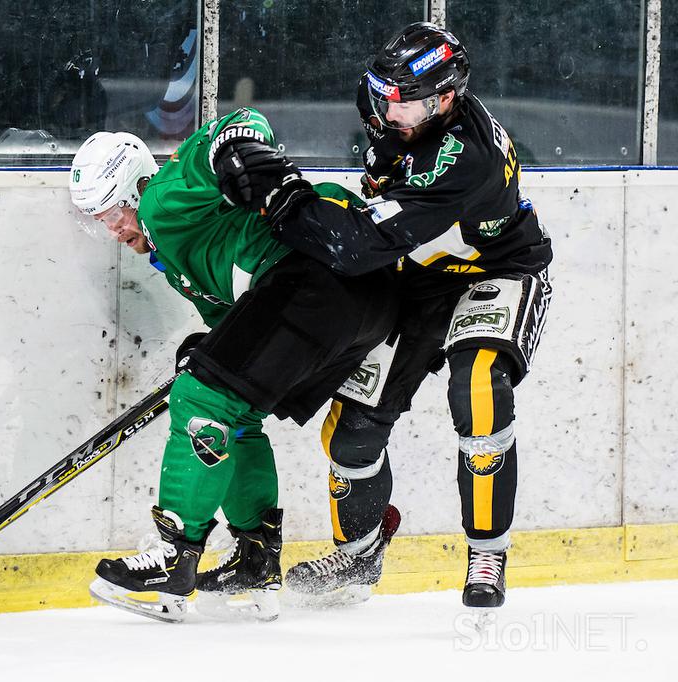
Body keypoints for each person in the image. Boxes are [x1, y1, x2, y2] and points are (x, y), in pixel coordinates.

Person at [214, 22, 553, 609]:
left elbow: (356, 245)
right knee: (352, 436)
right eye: (383, 92)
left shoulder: (462, 159)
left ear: (446, 98)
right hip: (420, 280)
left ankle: (487, 552)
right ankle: (361, 553)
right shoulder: (399, 123)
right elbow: (366, 231)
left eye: (406, 100)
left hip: (498, 270)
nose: (387, 107)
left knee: (476, 388)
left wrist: (280, 194)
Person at [69, 108, 398, 622]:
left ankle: (175, 555)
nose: (112, 230)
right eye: (99, 222)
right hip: (363, 299)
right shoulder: (178, 259)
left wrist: (243, 152)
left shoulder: (164, 197)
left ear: (136, 189)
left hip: (320, 273)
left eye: (113, 212)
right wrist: (203, 356)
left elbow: (241, 124)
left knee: (199, 397)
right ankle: (255, 558)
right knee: (230, 408)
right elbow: (238, 334)